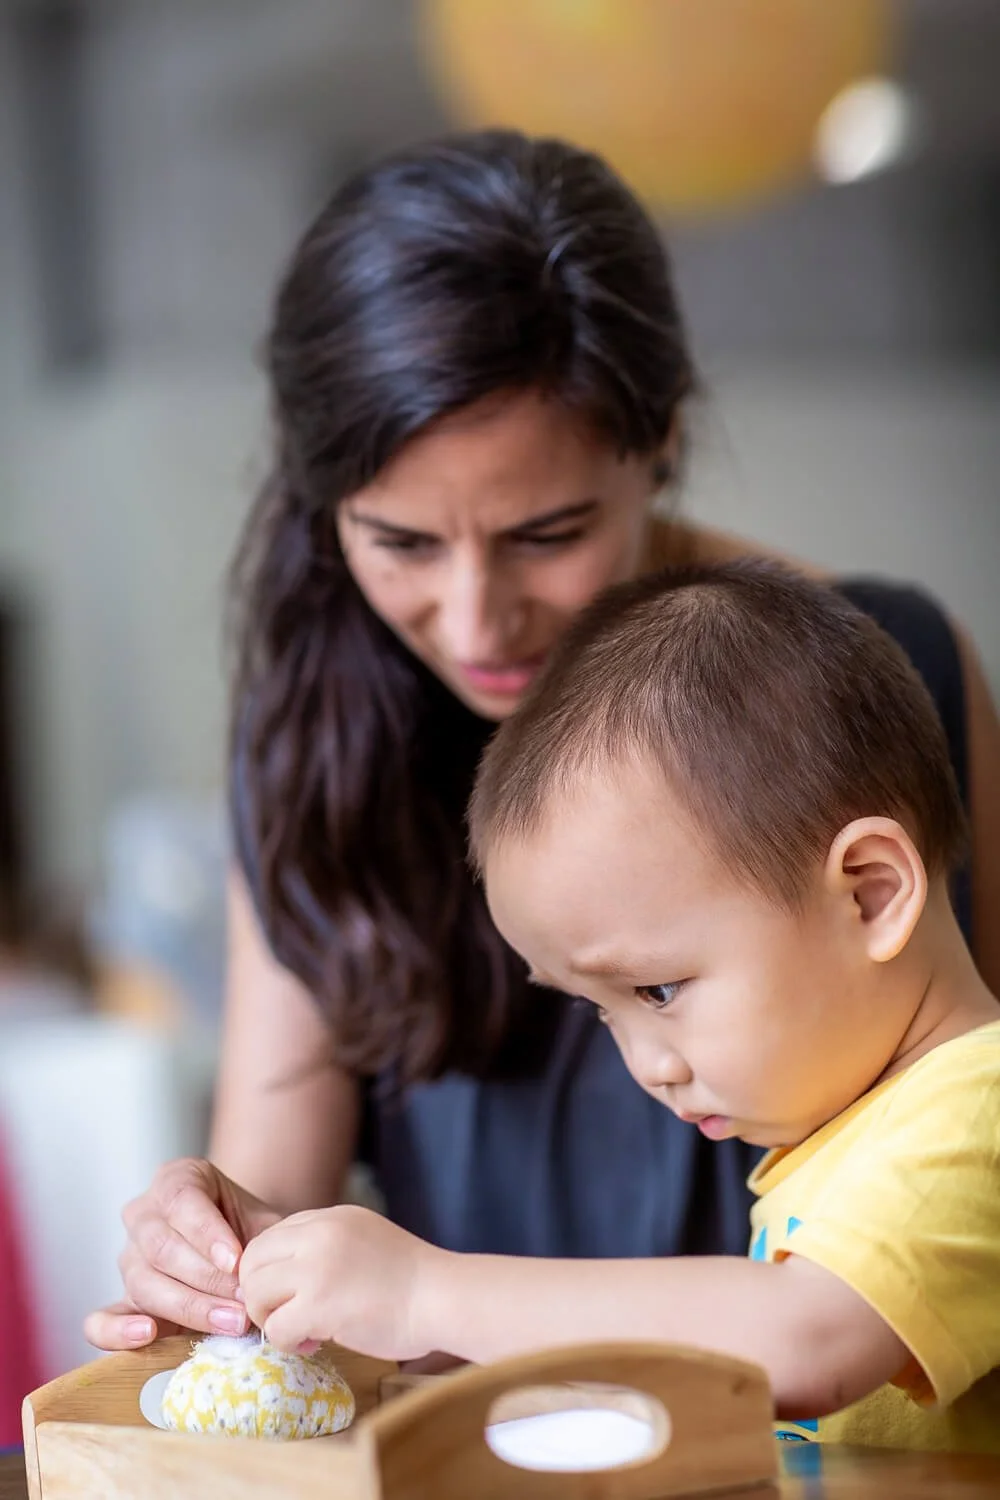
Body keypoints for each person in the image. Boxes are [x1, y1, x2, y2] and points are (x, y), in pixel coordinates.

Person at [84, 129, 1000, 1357]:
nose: (473, 622)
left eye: (545, 531)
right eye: (401, 543)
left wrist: (422, 1296)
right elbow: (277, 1176)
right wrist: (216, 1257)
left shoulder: (881, 672)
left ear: (657, 438)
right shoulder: (321, 736)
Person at [237, 561, 1000, 1452]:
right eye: (601, 1010)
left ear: (870, 895)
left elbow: (806, 1340)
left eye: (658, 990)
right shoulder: (839, 1139)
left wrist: (426, 1293)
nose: (647, 1064)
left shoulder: (977, 1105)